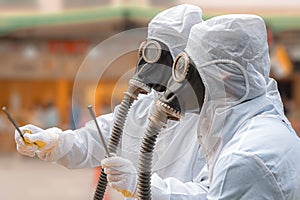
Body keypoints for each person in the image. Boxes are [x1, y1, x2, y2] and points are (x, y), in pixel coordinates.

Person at [14, 4, 209, 199]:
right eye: (152, 52)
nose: (155, 65)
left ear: (186, 61)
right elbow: (93, 139)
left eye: (164, 56)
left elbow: (210, 193)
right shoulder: (142, 108)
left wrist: (141, 185)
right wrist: (54, 142)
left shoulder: (210, 119)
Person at [151, 14, 300, 199]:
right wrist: (145, 186)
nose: (183, 83)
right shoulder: (263, 127)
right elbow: (211, 191)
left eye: (192, 72)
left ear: (222, 78)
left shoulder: (242, 157)